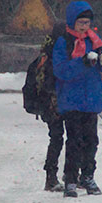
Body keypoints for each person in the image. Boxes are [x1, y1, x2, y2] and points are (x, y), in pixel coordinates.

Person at [52, 0, 102, 198]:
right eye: (80, 22)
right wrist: (82, 63)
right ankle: (70, 179)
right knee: (74, 141)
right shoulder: (64, 42)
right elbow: (61, 70)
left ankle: (88, 176)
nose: (84, 26)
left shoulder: (95, 42)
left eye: (87, 23)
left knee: (91, 141)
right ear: (72, 22)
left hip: (91, 101)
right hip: (72, 101)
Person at [37, 24, 65, 192]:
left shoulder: (46, 52)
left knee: (56, 138)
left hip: (48, 104)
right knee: (62, 138)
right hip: (56, 102)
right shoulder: (57, 54)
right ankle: (61, 175)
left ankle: (51, 176)